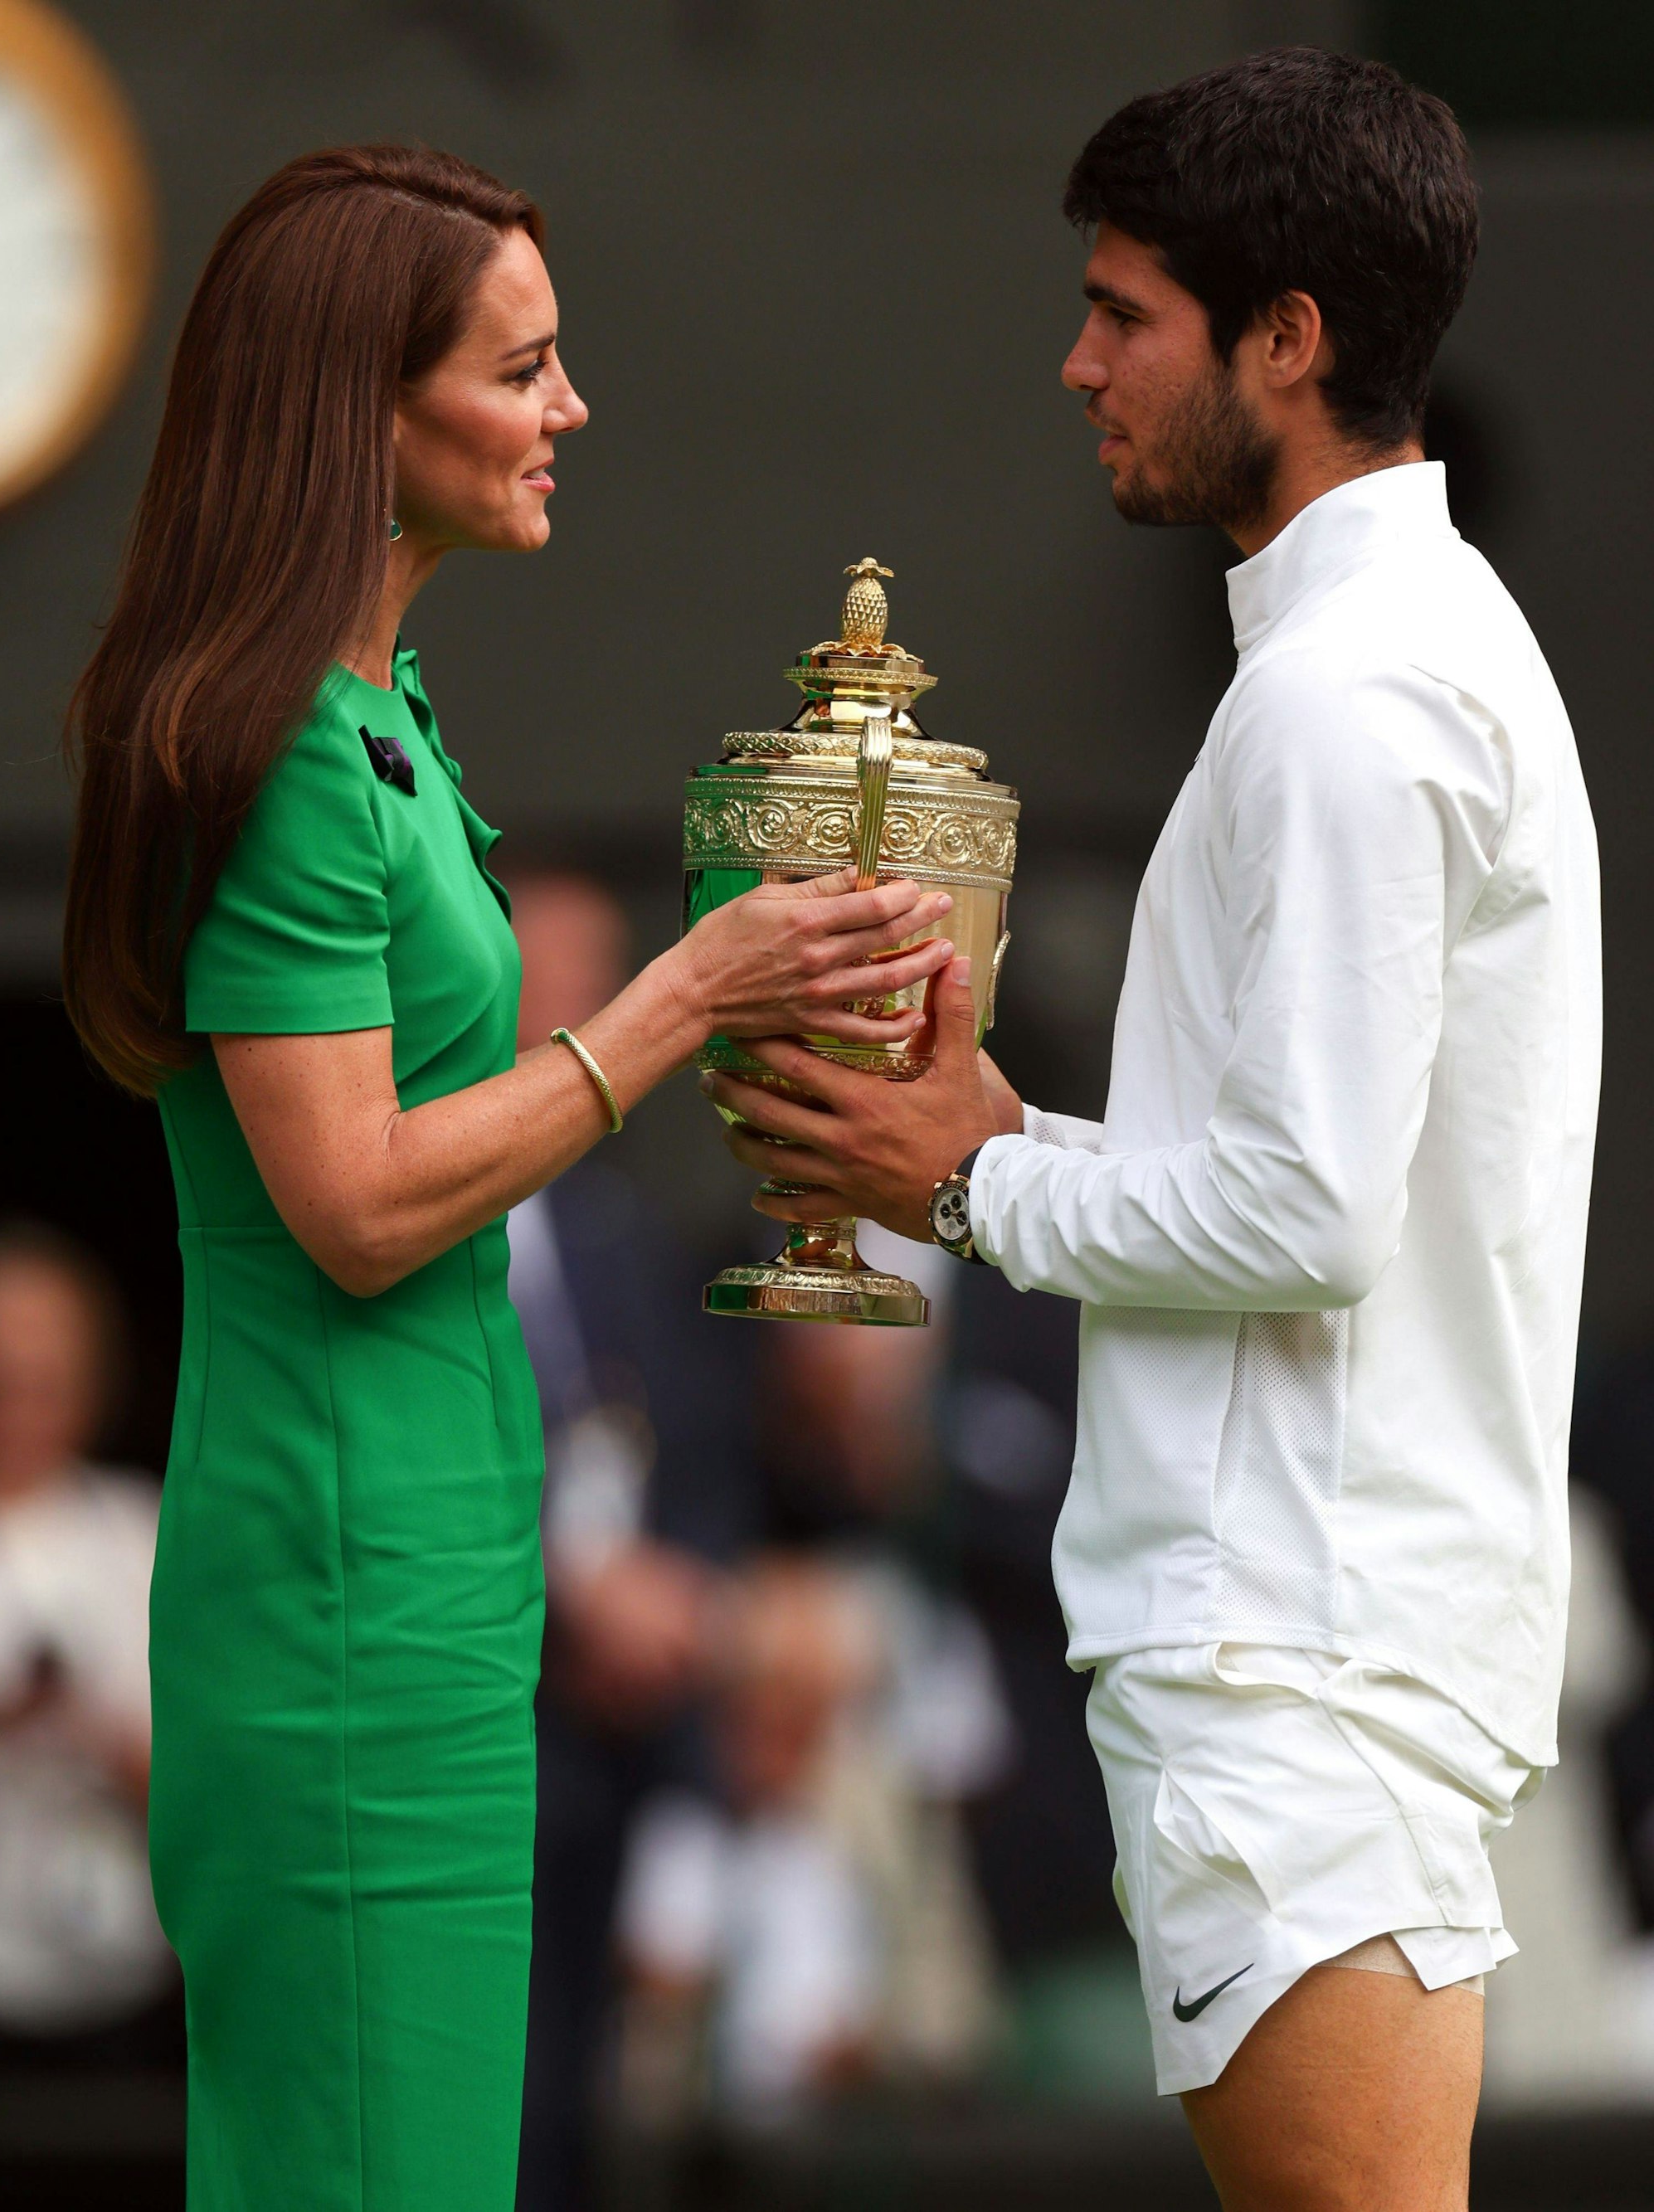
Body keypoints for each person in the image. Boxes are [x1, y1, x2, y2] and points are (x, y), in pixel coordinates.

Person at [707, 50, 1601, 2212]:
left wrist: (964, 1176)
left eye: (1129, 313)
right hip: (1311, 1642)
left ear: (1286, 339)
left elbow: (1306, 1208)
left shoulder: (1344, 696)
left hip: (1293, 1662)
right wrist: (1008, 1121)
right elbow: (1296, 1158)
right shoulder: (1382, 657)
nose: (1079, 360)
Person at [58, 145, 958, 2212]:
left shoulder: (380, 708)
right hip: (344, 1588)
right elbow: (355, 1200)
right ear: (358, 404)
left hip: (436, 1578)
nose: (572, 408)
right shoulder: (279, 737)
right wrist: (672, 1000)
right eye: (523, 366)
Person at [506, 869, 738, 2212]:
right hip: (488, 1721)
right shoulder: (403, 1200)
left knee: (600, 2105)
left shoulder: (619, 1227)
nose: (583, 1003)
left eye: (605, 970)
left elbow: (698, 1451)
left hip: (631, 1746)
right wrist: (577, 1598)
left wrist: (681, 1606)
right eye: (556, 966)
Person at [0, 1223, 172, 2053]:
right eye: (2, 1381)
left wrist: (117, 1752)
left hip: (131, 1997)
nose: (22, 1407)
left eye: (48, 1381)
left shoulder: (145, 1536)